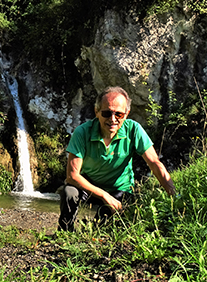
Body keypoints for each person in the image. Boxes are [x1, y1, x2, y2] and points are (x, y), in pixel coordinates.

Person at [58, 86, 176, 231]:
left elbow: (154, 163)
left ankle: (96, 229)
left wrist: (174, 196)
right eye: (107, 113)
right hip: (90, 188)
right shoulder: (82, 132)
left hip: (120, 190)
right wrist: (103, 195)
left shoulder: (134, 130)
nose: (112, 119)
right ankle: (65, 231)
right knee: (69, 192)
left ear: (126, 114)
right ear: (97, 112)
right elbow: (72, 176)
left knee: (103, 227)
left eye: (118, 114)